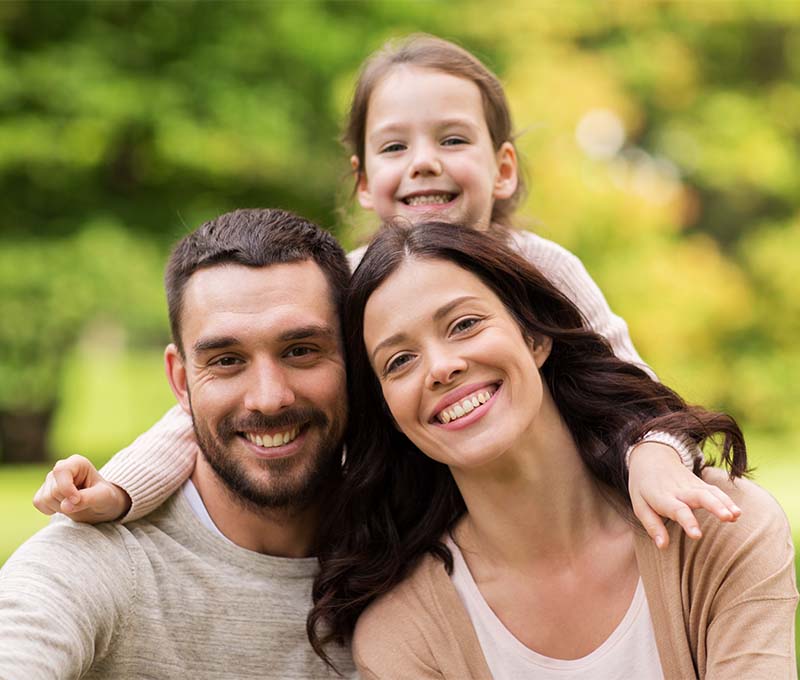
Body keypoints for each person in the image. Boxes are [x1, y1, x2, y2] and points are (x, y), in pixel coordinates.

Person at [33, 34, 740, 547]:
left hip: (558, 521)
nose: (424, 162)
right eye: (396, 147)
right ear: (365, 181)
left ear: (502, 168)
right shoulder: (347, 285)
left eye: (452, 140)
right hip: (417, 532)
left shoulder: (541, 268)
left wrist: (655, 456)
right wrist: (120, 489)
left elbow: (634, 390)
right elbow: (207, 407)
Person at [308, 220, 798, 679]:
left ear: (535, 336)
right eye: (399, 361)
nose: (440, 367)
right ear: (389, 412)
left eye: (464, 324)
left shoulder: (716, 529)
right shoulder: (404, 635)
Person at [0, 209, 354, 678]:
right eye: (227, 360)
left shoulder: (414, 547)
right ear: (181, 381)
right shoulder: (99, 564)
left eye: (301, 351)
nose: (269, 399)